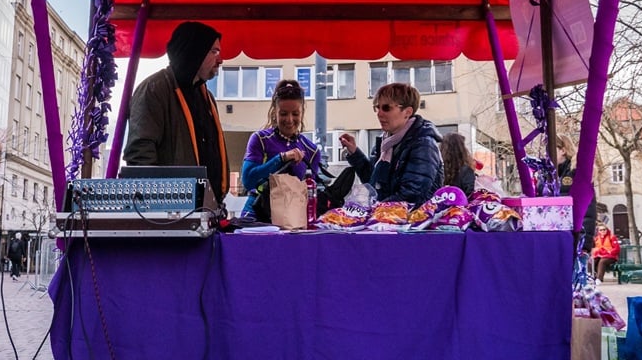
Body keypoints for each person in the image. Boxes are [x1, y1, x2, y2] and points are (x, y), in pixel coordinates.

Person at [124, 21, 229, 206]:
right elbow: (140, 156)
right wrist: (159, 205)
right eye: (214, 51)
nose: (220, 60)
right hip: (171, 215)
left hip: (207, 209)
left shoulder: (206, 96)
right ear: (194, 52)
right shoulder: (154, 89)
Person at [339, 83, 443, 205]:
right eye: (377, 107)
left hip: (412, 221)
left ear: (407, 112)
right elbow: (373, 182)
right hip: (386, 219)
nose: (379, 113)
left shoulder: (423, 144)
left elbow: (412, 194)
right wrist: (355, 153)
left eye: (386, 108)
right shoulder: (385, 142)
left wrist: (375, 210)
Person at [240, 79, 324, 218]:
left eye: (295, 114)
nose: (289, 120)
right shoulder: (260, 139)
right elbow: (248, 181)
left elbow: (309, 195)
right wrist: (281, 158)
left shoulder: (312, 150)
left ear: (302, 112)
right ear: (275, 112)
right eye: (283, 114)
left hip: (293, 218)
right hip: (256, 214)